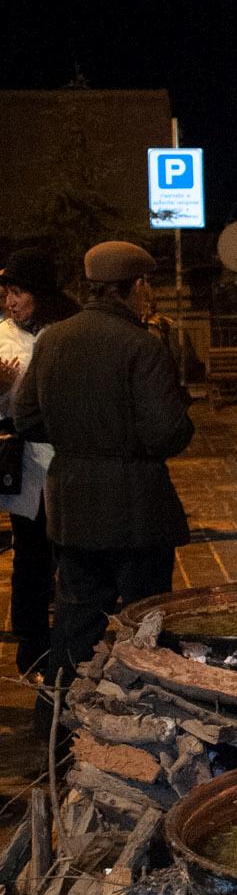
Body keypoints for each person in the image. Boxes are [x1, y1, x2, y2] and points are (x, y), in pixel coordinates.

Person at [13, 240, 195, 676]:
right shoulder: (141, 345)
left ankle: (60, 719)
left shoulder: (53, 339)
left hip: (72, 506)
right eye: (146, 284)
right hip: (135, 511)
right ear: (134, 286)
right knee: (144, 621)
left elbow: (27, 418)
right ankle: (143, 710)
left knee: (75, 621)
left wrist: (75, 437)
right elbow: (166, 433)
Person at [0, 247, 78, 675]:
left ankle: (72, 637)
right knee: (30, 555)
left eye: (17, 292)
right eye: (7, 293)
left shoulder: (67, 330)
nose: (10, 302)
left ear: (40, 293)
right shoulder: (3, 337)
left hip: (69, 462)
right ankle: (31, 644)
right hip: (28, 467)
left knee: (72, 555)